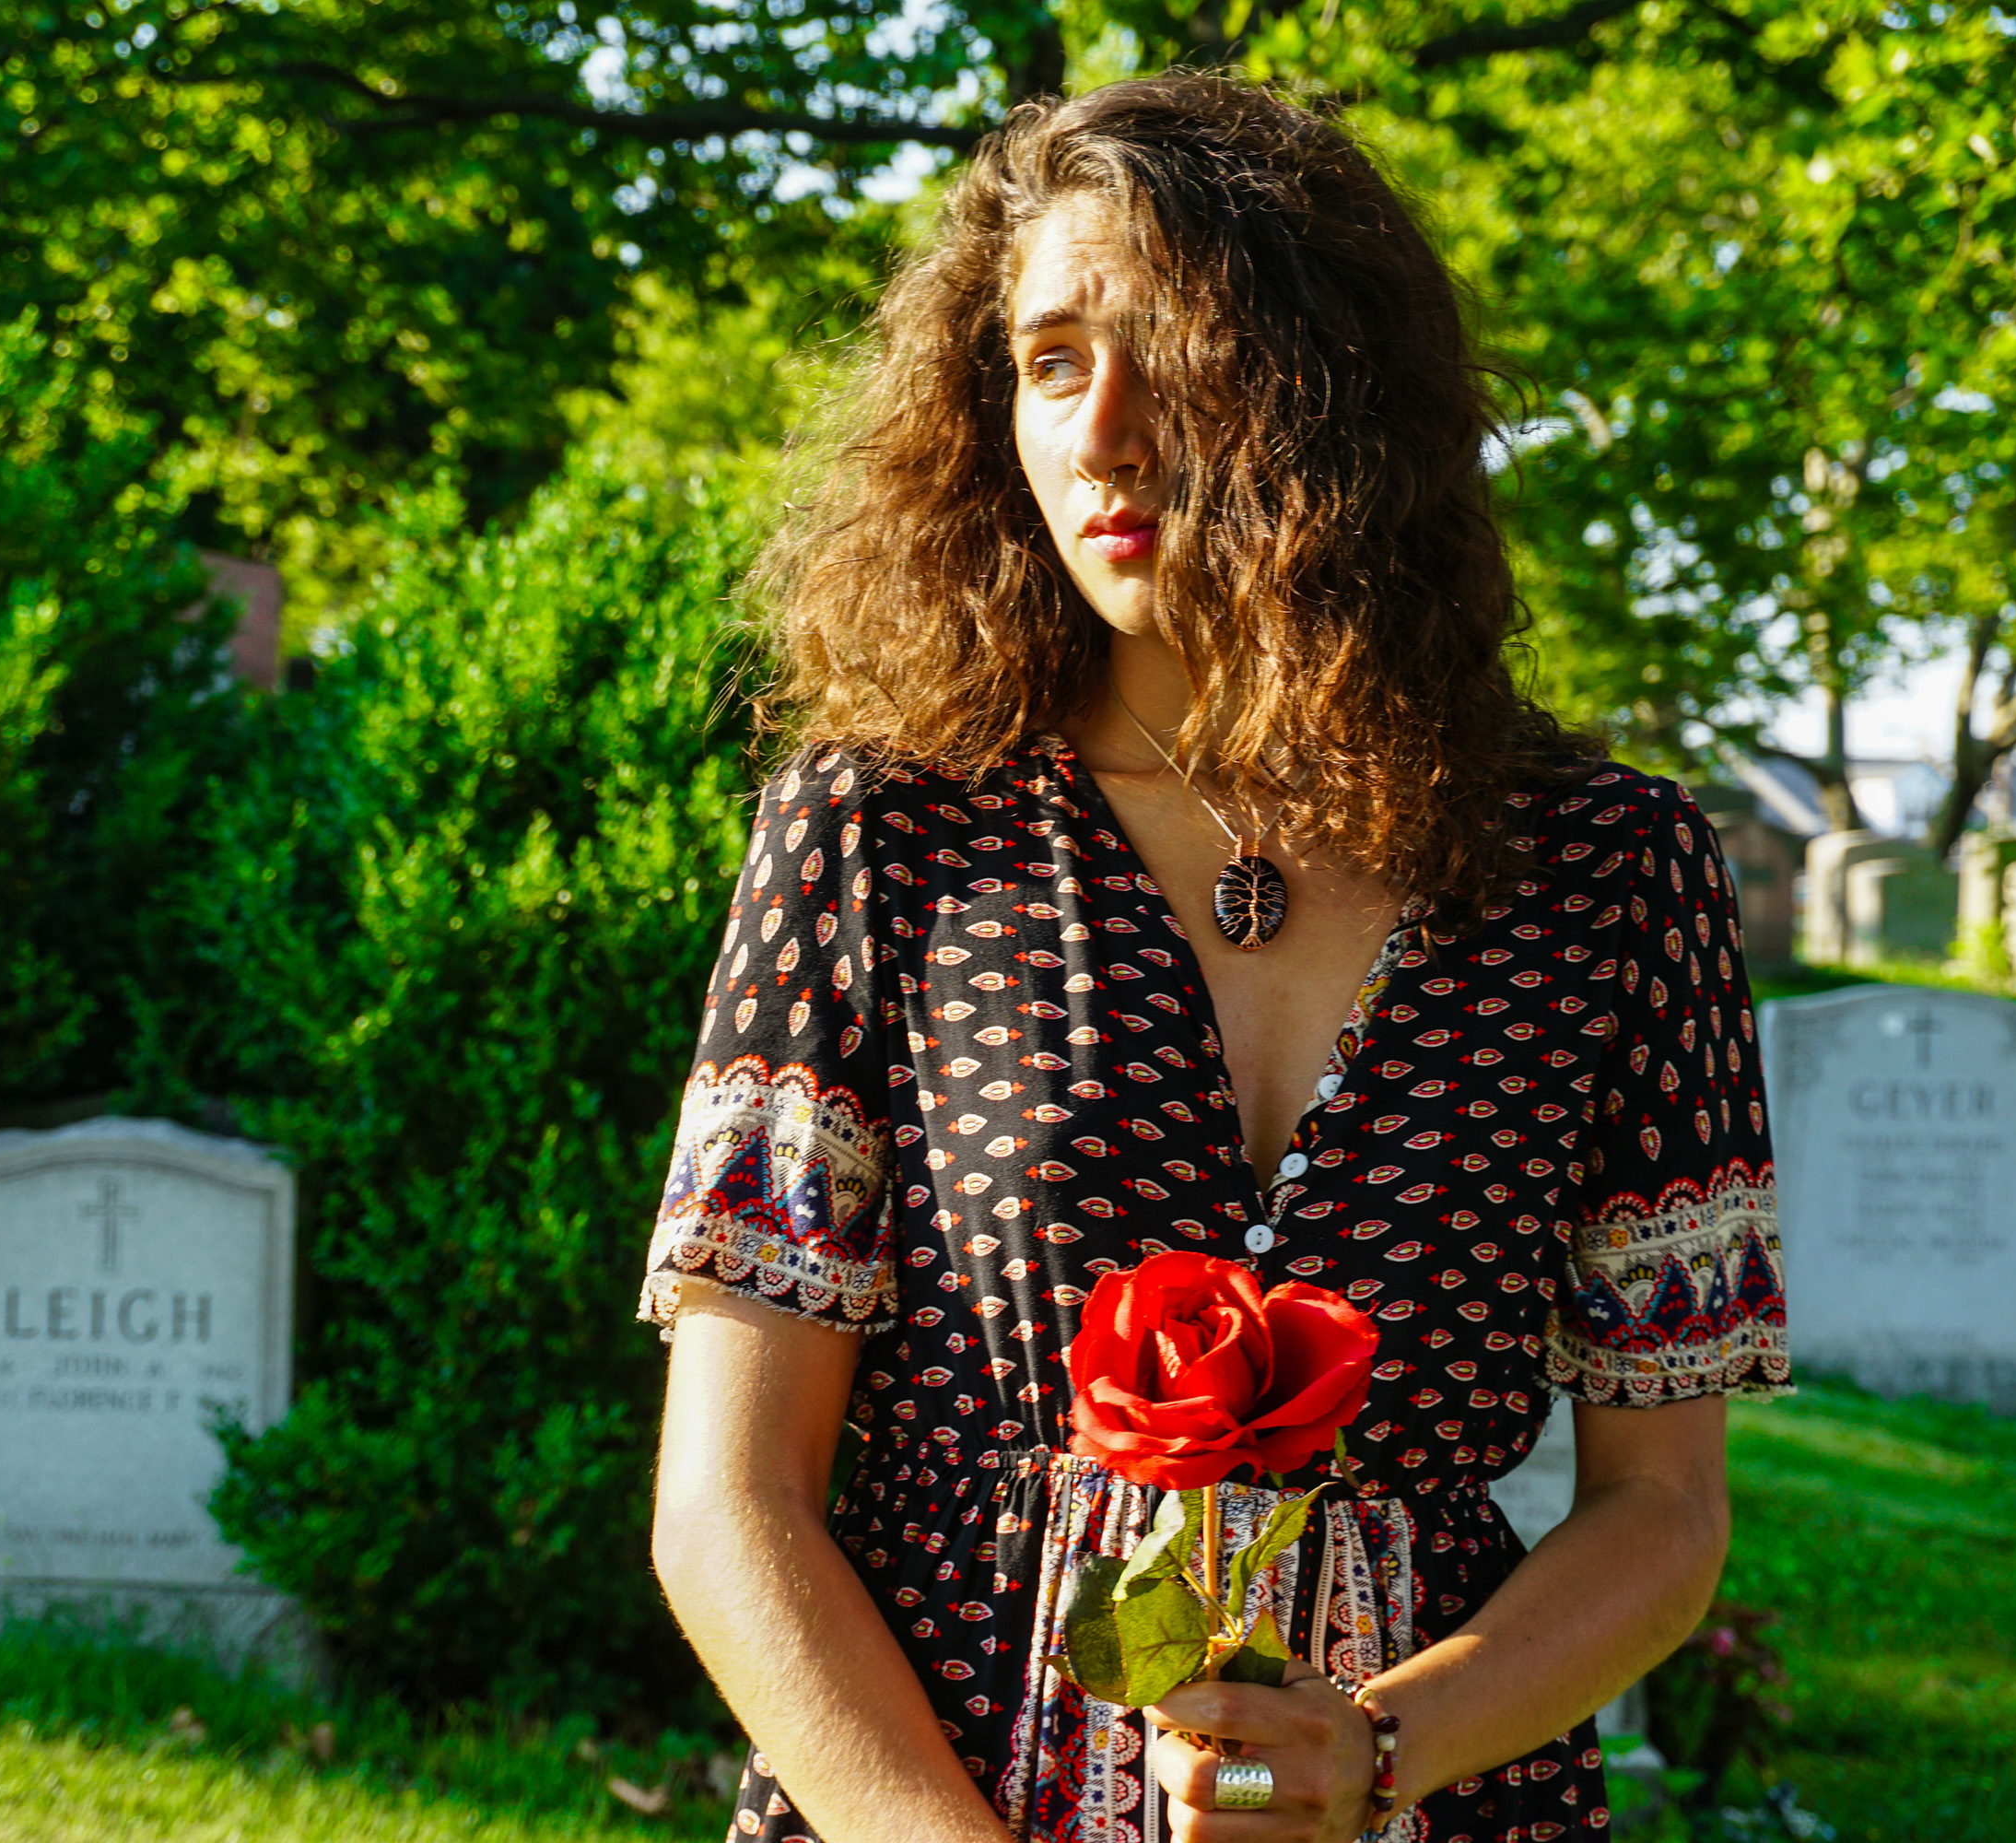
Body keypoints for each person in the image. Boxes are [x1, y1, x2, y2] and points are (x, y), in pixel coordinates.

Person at [641, 73, 1789, 1843]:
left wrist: (1384, 1746)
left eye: (1166, 351)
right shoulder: (882, 835)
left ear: (1327, 390)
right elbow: (730, 1499)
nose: (1100, 432)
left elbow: (1663, 1511)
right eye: (1046, 360)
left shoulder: (1608, 874)